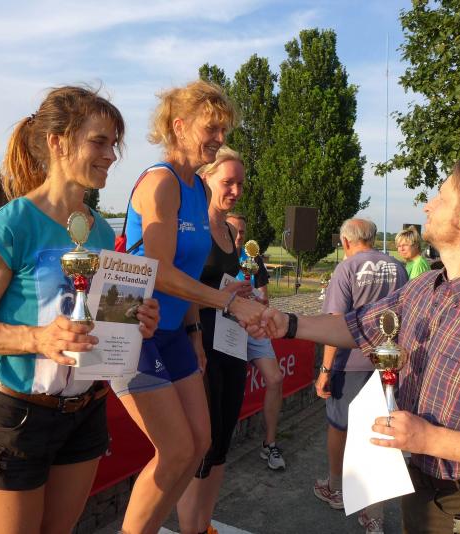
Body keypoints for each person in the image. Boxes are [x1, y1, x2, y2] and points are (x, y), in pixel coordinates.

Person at [252, 157, 460, 534]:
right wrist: (289, 323)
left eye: (441, 196)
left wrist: (430, 438)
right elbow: (359, 326)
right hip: (420, 487)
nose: (427, 206)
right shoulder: (426, 287)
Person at [0, 86, 160, 534]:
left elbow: (93, 317)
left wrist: (133, 319)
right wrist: (37, 338)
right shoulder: (12, 225)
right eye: (99, 142)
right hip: (17, 415)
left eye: (114, 144)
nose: (111, 156)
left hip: (85, 408)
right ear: (58, 143)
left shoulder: (100, 231)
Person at [111, 81, 267, 534]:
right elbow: (159, 271)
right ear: (179, 127)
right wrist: (226, 302)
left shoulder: (198, 187)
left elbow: (191, 271)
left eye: (224, 130)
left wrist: (196, 331)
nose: (219, 138)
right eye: (211, 128)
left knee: (201, 444)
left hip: (174, 331)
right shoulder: (160, 181)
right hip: (132, 326)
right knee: (177, 450)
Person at [175, 147, 262, 534]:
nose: (236, 190)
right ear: (205, 178)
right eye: (228, 182)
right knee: (200, 447)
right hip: (199, 344)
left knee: (223, 440)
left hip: (231, 342)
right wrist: (211, 309)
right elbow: (180, 288)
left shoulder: (229, 231)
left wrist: (241, 295)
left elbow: (225, 288)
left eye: (240, 183)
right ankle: (190, 528)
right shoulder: (190, 228)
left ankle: (204, 524)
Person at [312, 218, 407, 533]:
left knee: (339, 426)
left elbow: (334, 323)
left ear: (345, 241)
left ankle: (336, 488)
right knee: (380, 432)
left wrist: (325, 369)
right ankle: (374, 513)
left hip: (350, 361)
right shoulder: (397, 267)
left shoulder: (347, 268)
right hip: (388, 364)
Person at [226, 212, 287, 471]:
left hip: (253, 326)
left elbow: (264, 299)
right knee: (227, 389)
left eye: (242, 231)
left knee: (275, 379)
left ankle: (269, 444)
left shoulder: (252, 258)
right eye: (233, 230)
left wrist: (256, 300)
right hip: (225, 328)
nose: (238, 236)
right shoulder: (214, 253)